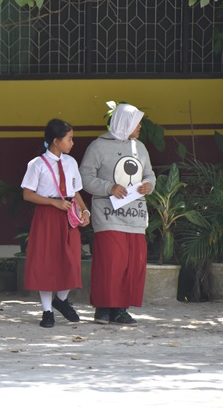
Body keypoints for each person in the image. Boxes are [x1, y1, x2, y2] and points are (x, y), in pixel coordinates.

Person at [79, 103, 156, 326]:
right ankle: (103, 307)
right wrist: (109, 187)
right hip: (108, 214)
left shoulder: (140, 147)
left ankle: (120, 309)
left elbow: (150, 174)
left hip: (135, 215)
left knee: (132, 263)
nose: (140, 126)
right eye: (136, 122)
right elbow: (84, 177)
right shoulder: (98, 146)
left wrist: (148, 185)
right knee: (110, 262)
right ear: (124, 123)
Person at [21, 119, 90, 328]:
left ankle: (61, 300)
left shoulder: (71, 163)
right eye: (69, 139)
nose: (72, 143)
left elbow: (74, 190)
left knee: (71, 259)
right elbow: (27, 194)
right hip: (47, 216)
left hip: (68, 215)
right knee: (46, 261)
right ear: (55, 141)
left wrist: (85, 210)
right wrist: (52, 202)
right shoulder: (37, 164)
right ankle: (47, 311)